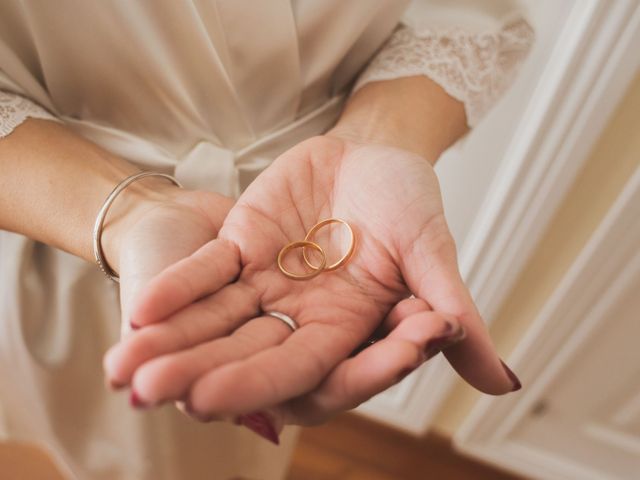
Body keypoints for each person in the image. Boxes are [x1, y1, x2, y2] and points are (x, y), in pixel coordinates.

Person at [0, 1, 533, 479]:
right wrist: (126, 212)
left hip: (310, 227)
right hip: (61, 225)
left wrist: (374, 140)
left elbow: (469, 10)